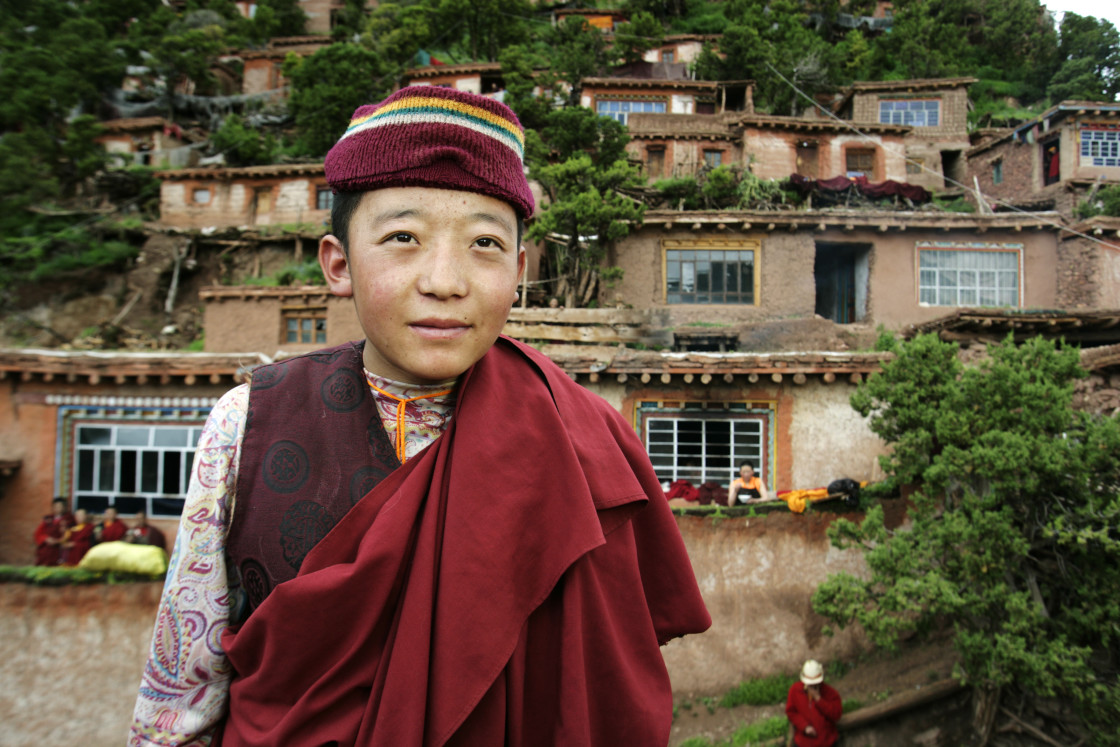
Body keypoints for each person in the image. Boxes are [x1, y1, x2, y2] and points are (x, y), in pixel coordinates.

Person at [131, 86, 711, 746]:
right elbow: (181, 697)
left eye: (484, 244)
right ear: (339, 263)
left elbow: (599, 688)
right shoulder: (247, 424)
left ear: (519, 271)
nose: (445, 279)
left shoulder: (579, 437)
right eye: (403, 237)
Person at [785, 659, 842, 747]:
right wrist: (804, 726)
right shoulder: (795, 690)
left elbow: (836, 714)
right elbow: (791, 712)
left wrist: (818, 699)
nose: (813, 686)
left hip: (826, 743)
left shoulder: (830, 693)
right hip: (803, 743)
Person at [33, 498, 73, 566]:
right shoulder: (48, 519)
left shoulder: (69, 519)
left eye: (60, 506)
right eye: (56, 506)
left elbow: (72, 534)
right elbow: (38, 533)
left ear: (65, 507)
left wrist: (58, 541)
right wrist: (46, 539)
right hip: (46, 549)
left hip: (60, 549)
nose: (57, 508)